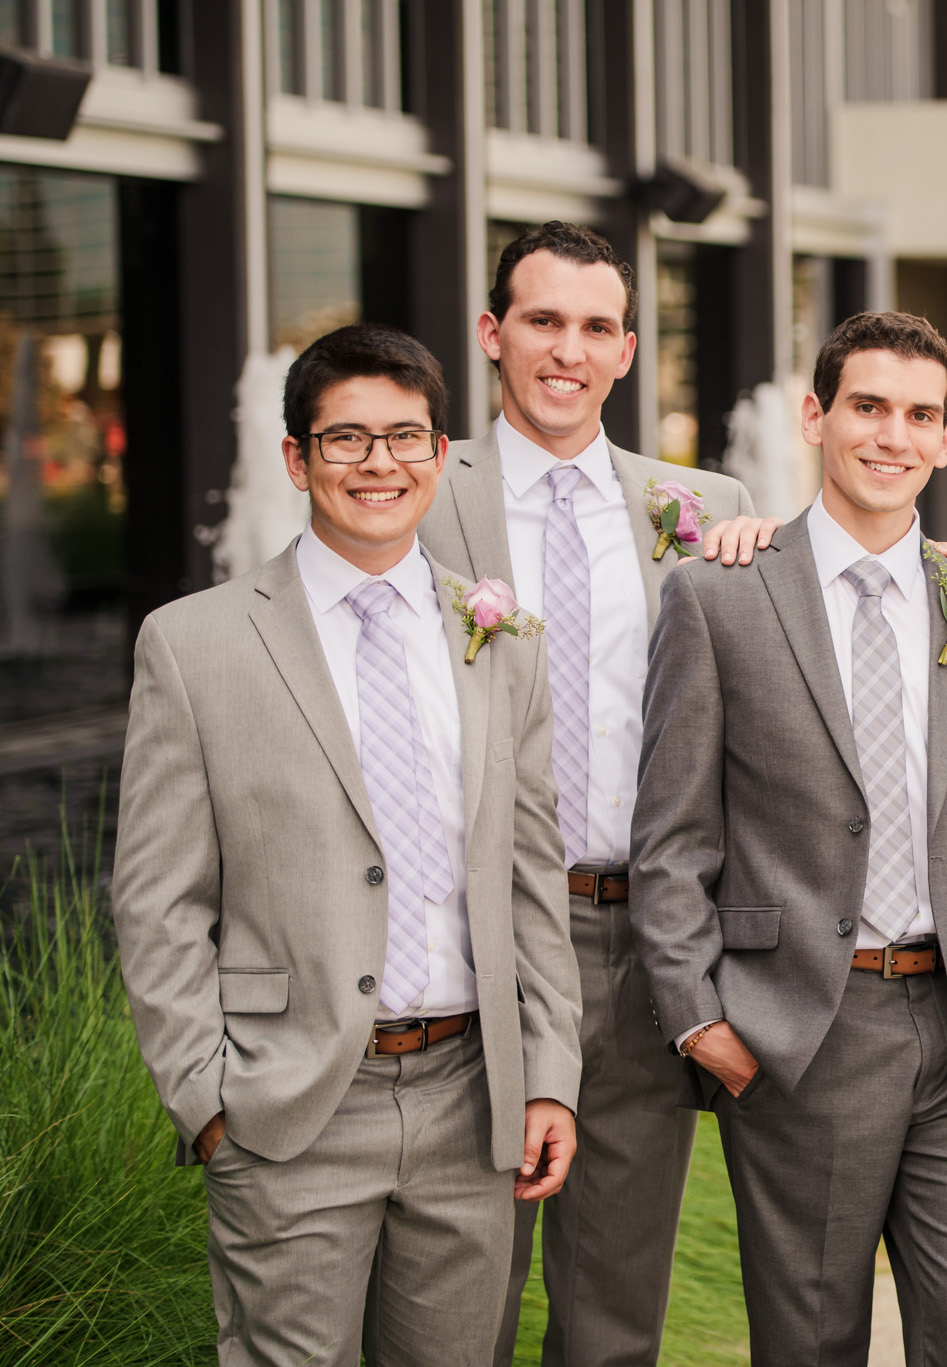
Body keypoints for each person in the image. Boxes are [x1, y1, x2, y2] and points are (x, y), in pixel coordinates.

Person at [112, 323, 581, 1366]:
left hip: (472, 1101)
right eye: (348, 440)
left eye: (407, 437)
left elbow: (529, 874)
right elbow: (157, 898)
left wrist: (548, 1069)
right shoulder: (194, 643)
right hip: (288, 1108)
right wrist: (208, 1099)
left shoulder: (502, 637)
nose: (381, 465)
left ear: (440, 450)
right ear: (296, 458)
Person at [629, 310, 947, 1365]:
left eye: (918, 414)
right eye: (867, 406)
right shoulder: (718, 597)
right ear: (815, 416)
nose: (891, 434)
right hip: (801, 1033)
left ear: (946, 438)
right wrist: (700, 1019)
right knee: (810, 1339)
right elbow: (670, 839)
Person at [414, 219, 756, 1367]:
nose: (568, 348)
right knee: (461, 1297)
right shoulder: (416, 487)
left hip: (641, 937)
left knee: (615, 1304)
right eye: (543, 319)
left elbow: (843, 606)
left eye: (596, 326)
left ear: (625, 351)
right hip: (477, 939)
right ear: (492, 332)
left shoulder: (706, 503)